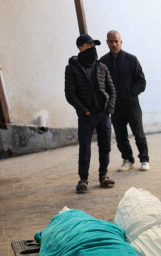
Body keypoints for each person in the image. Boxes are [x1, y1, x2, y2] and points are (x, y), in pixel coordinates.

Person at [65, 34, 116, 194]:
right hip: (87, 115)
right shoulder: (72, 68)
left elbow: (112, 90)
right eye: (89, 45)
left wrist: (109, 109)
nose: (92, 48)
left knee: (105, 146)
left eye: (94, 45)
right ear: (80, 47)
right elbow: (70, 94)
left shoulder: (101, 67)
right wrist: (84, 111)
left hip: (103, 114)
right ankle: (83, 178)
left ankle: (103, 175)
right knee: (85, 148)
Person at [100, 30, 149, 172]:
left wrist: (131, 93)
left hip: (131, 104)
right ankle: (127, 160)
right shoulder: (103, 62)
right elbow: (100, 84)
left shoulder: (131, 60)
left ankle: (144, 160)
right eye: (111, 41)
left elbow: (141, 81)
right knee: (121, 136)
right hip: (115, 106)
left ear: (121, 42)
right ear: (107, 42)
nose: (114, 44)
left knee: (138, 133)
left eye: (116, 41)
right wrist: (107, 99)